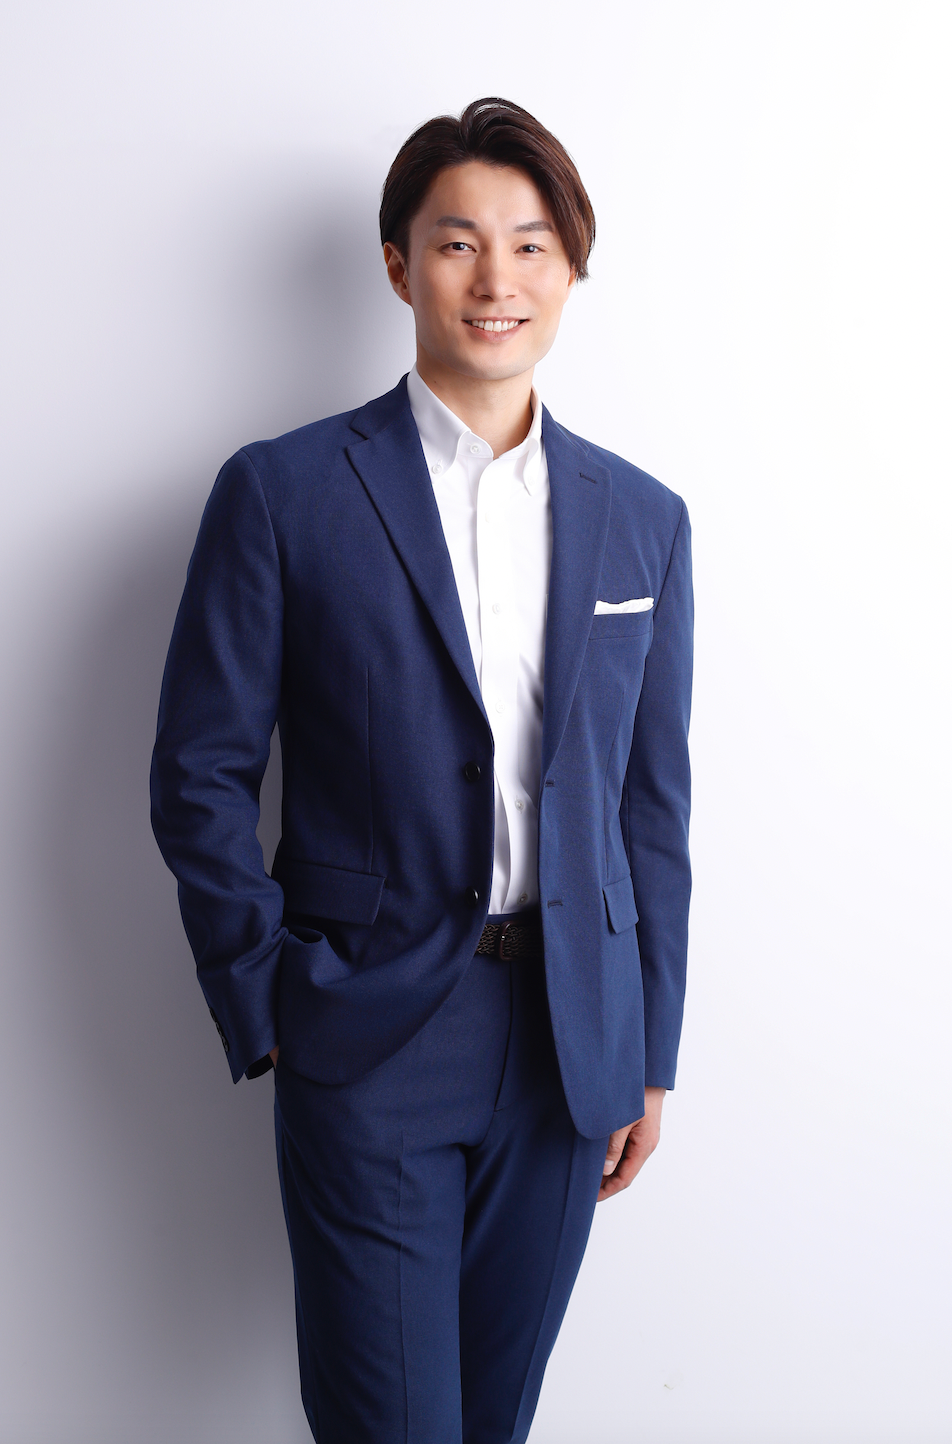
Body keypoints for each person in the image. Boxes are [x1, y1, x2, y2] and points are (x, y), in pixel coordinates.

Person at [151, 96, 693, 1444]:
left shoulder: (644, 518)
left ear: (571, 270)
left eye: (530, 244)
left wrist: (650, 1047)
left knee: (493, 1422)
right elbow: (200, 770)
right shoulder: (283, 492)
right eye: (458, 243)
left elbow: (651, 807)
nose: (495, 277)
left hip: (572, 1040)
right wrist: (268, 995)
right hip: (370, 1028)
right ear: (399, 266)